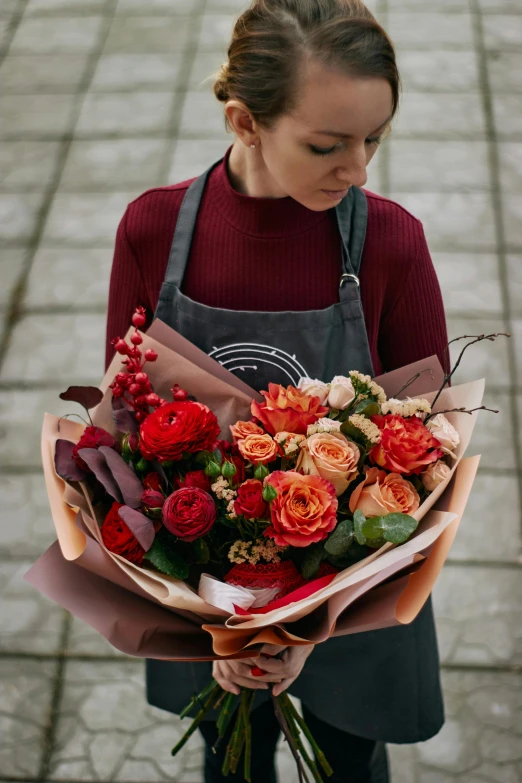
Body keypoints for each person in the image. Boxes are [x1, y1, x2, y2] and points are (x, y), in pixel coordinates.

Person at [104, 1, 450, 780]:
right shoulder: (152, 234)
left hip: (356, 599)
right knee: (230, 763)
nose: (360, 170)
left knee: (348, 763)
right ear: (244, 120)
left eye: (374, 138)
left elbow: (428, 458)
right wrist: (230, 630)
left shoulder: (393, 242)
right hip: (203, 589)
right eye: (328, 145)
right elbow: (123, 434)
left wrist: (303, 628)